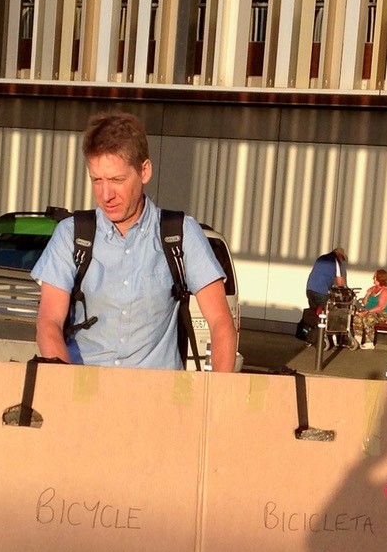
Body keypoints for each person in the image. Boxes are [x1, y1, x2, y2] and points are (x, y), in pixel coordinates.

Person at [32, 112, 237, 373]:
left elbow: (221, 322)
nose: (106, 195)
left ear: (145, 171)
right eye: (97, 180)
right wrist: (67, 390)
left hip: (158, 400)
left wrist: (217, 400)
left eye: (117, 180)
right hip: (86, 396)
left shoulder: (181, 234)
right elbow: (48, 322)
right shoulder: (71, 235)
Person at [352, 269, 387, 349]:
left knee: (369, 318)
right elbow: (364, 303)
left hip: (383, 313)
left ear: (379, 278)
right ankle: (357, 340)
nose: (373, 278)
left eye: (374, 277)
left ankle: (369, 342)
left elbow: (381, 307)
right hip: (370, 311)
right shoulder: (373, 288)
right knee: (357, 317)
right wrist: (367, 294)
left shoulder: (385, 291)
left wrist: (367, 312)